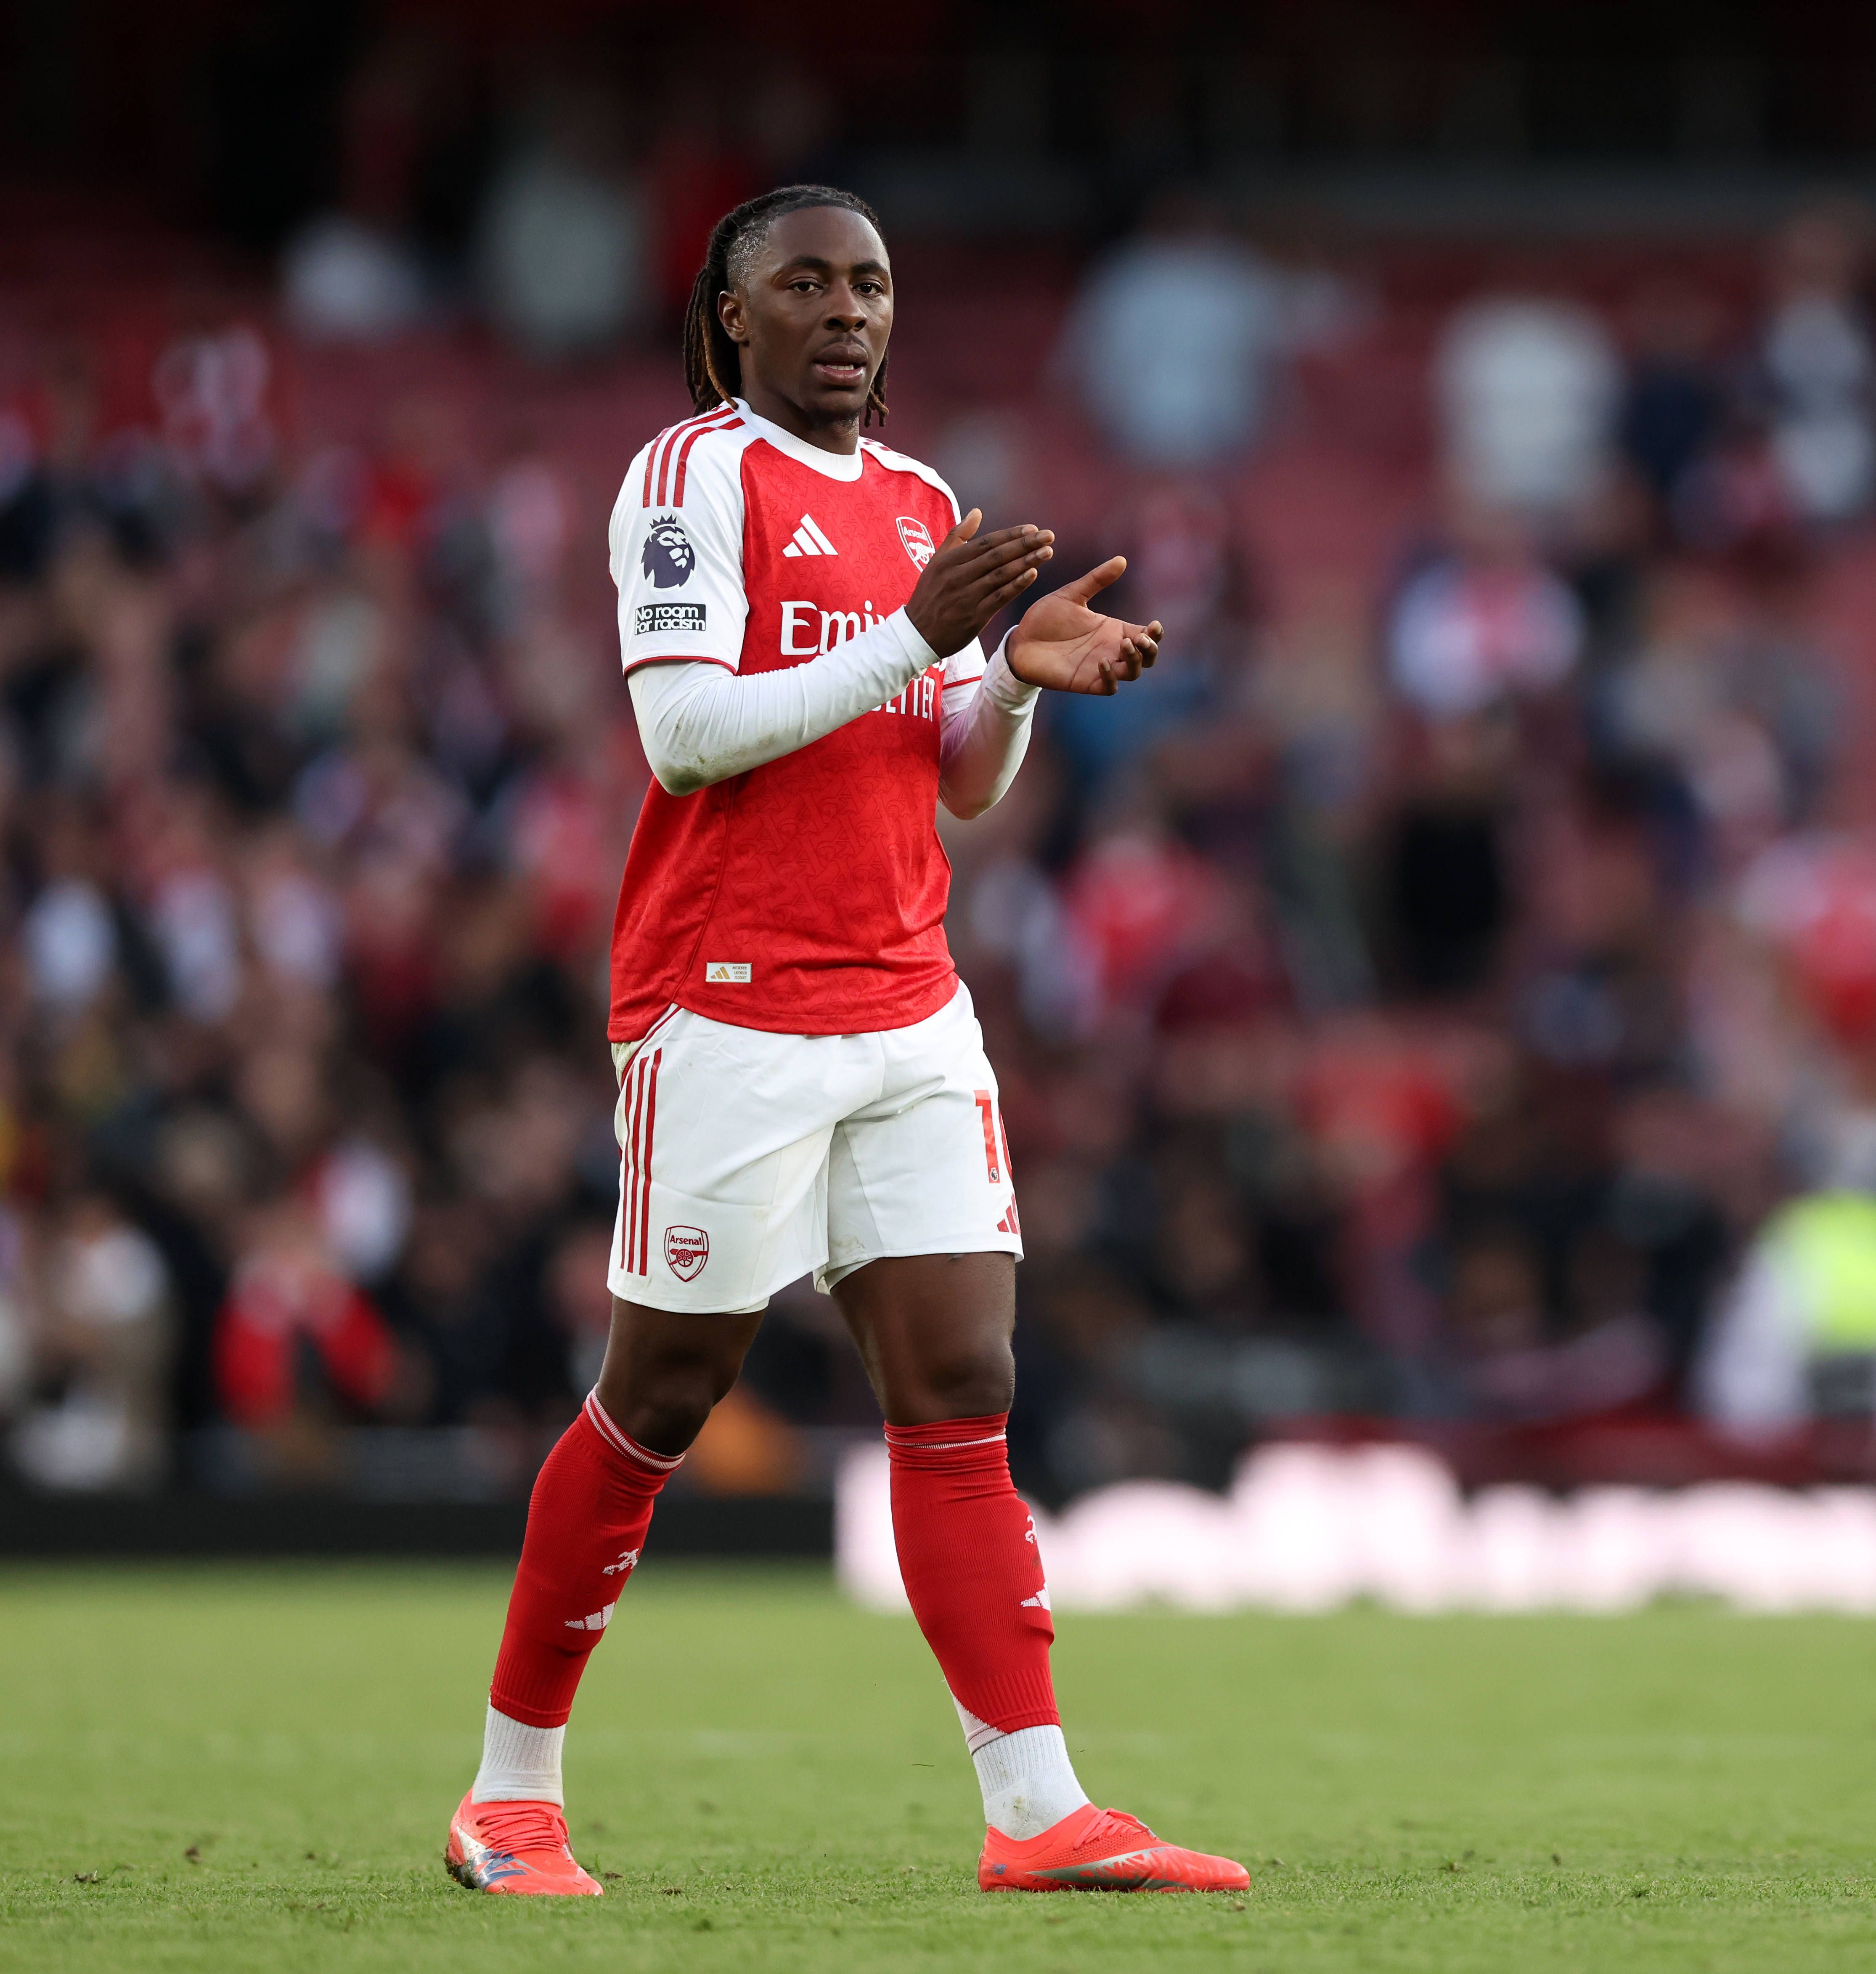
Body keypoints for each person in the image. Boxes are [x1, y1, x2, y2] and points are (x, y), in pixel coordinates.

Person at [444, 185, 1247, 1898]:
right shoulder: (691, 475)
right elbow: (682, 736)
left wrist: (1010, 680)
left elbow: (951, 780)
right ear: (733, 316)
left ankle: (1036, 1808)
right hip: (728, 1001)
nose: (847, 312)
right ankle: (508, 1792)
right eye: (804, 284)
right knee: (660, 1397)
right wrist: (918, 633)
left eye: (869, 284)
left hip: (908, 1002)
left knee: (961, 1386)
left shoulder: (921, 501)